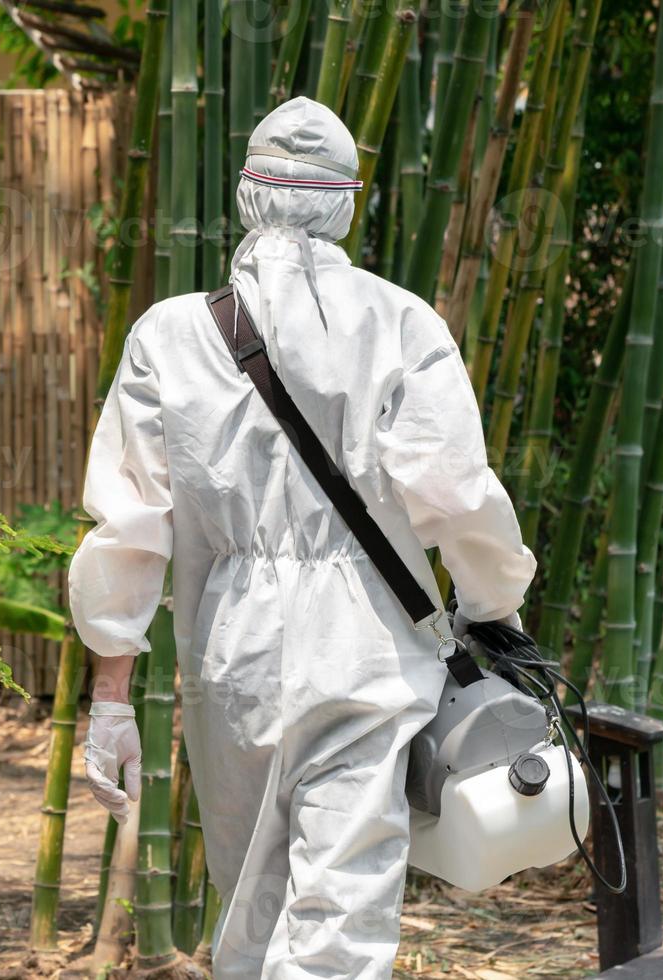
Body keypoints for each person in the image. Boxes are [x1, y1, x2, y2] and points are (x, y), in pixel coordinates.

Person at [67, 96, 537, 979]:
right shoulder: (400, 323)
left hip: (231, 655)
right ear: (346, 202)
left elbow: (128, 529)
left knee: (250, 910)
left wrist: (112, 698)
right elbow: (457, 496)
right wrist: (492, 606)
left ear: (248, 196)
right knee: (337, 928)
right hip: (368, 650)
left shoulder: (168, 334)